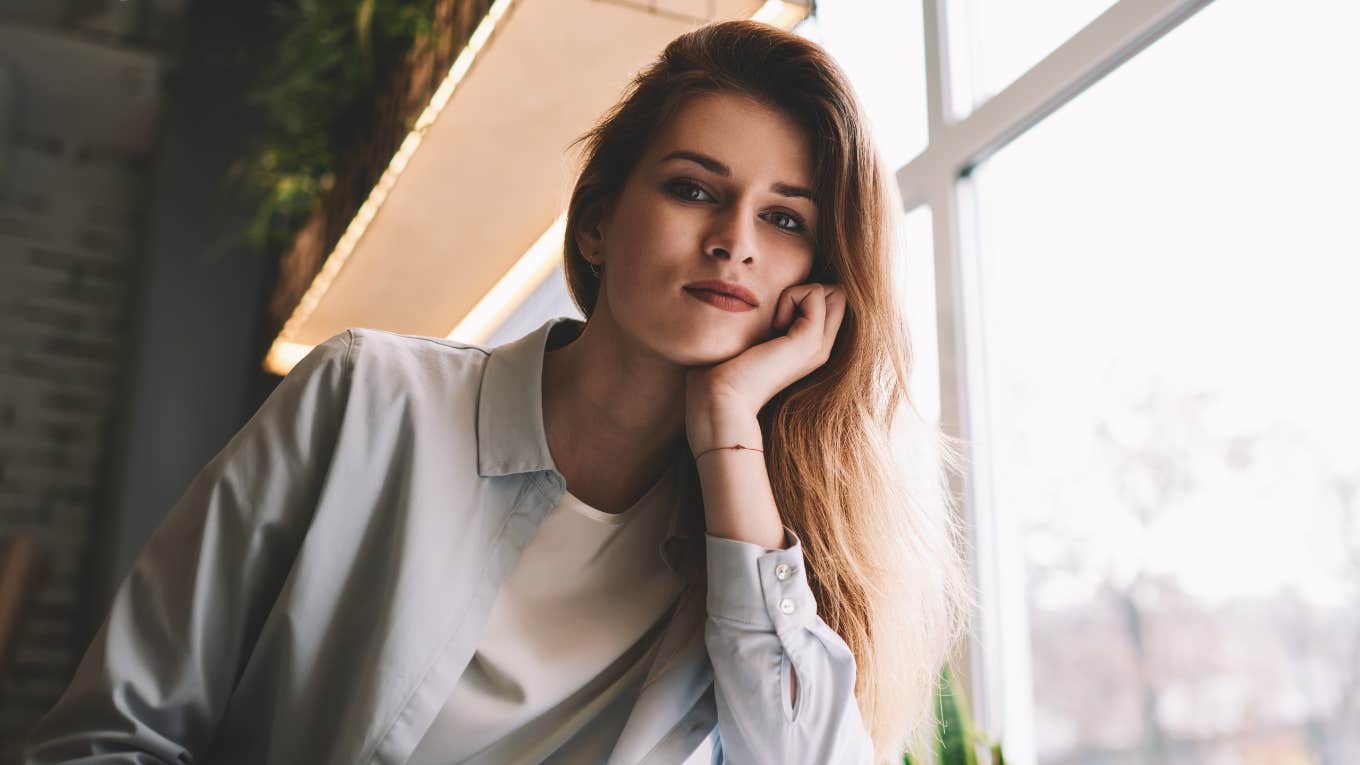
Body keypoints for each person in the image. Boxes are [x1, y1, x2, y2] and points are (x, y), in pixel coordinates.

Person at [23, 18, 974, 765]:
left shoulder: (755, 543)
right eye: (693, 189)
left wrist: (729, 427)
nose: (736, 240)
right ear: (597, 224)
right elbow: (110, 734)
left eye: (784, 218)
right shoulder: (366, 399)